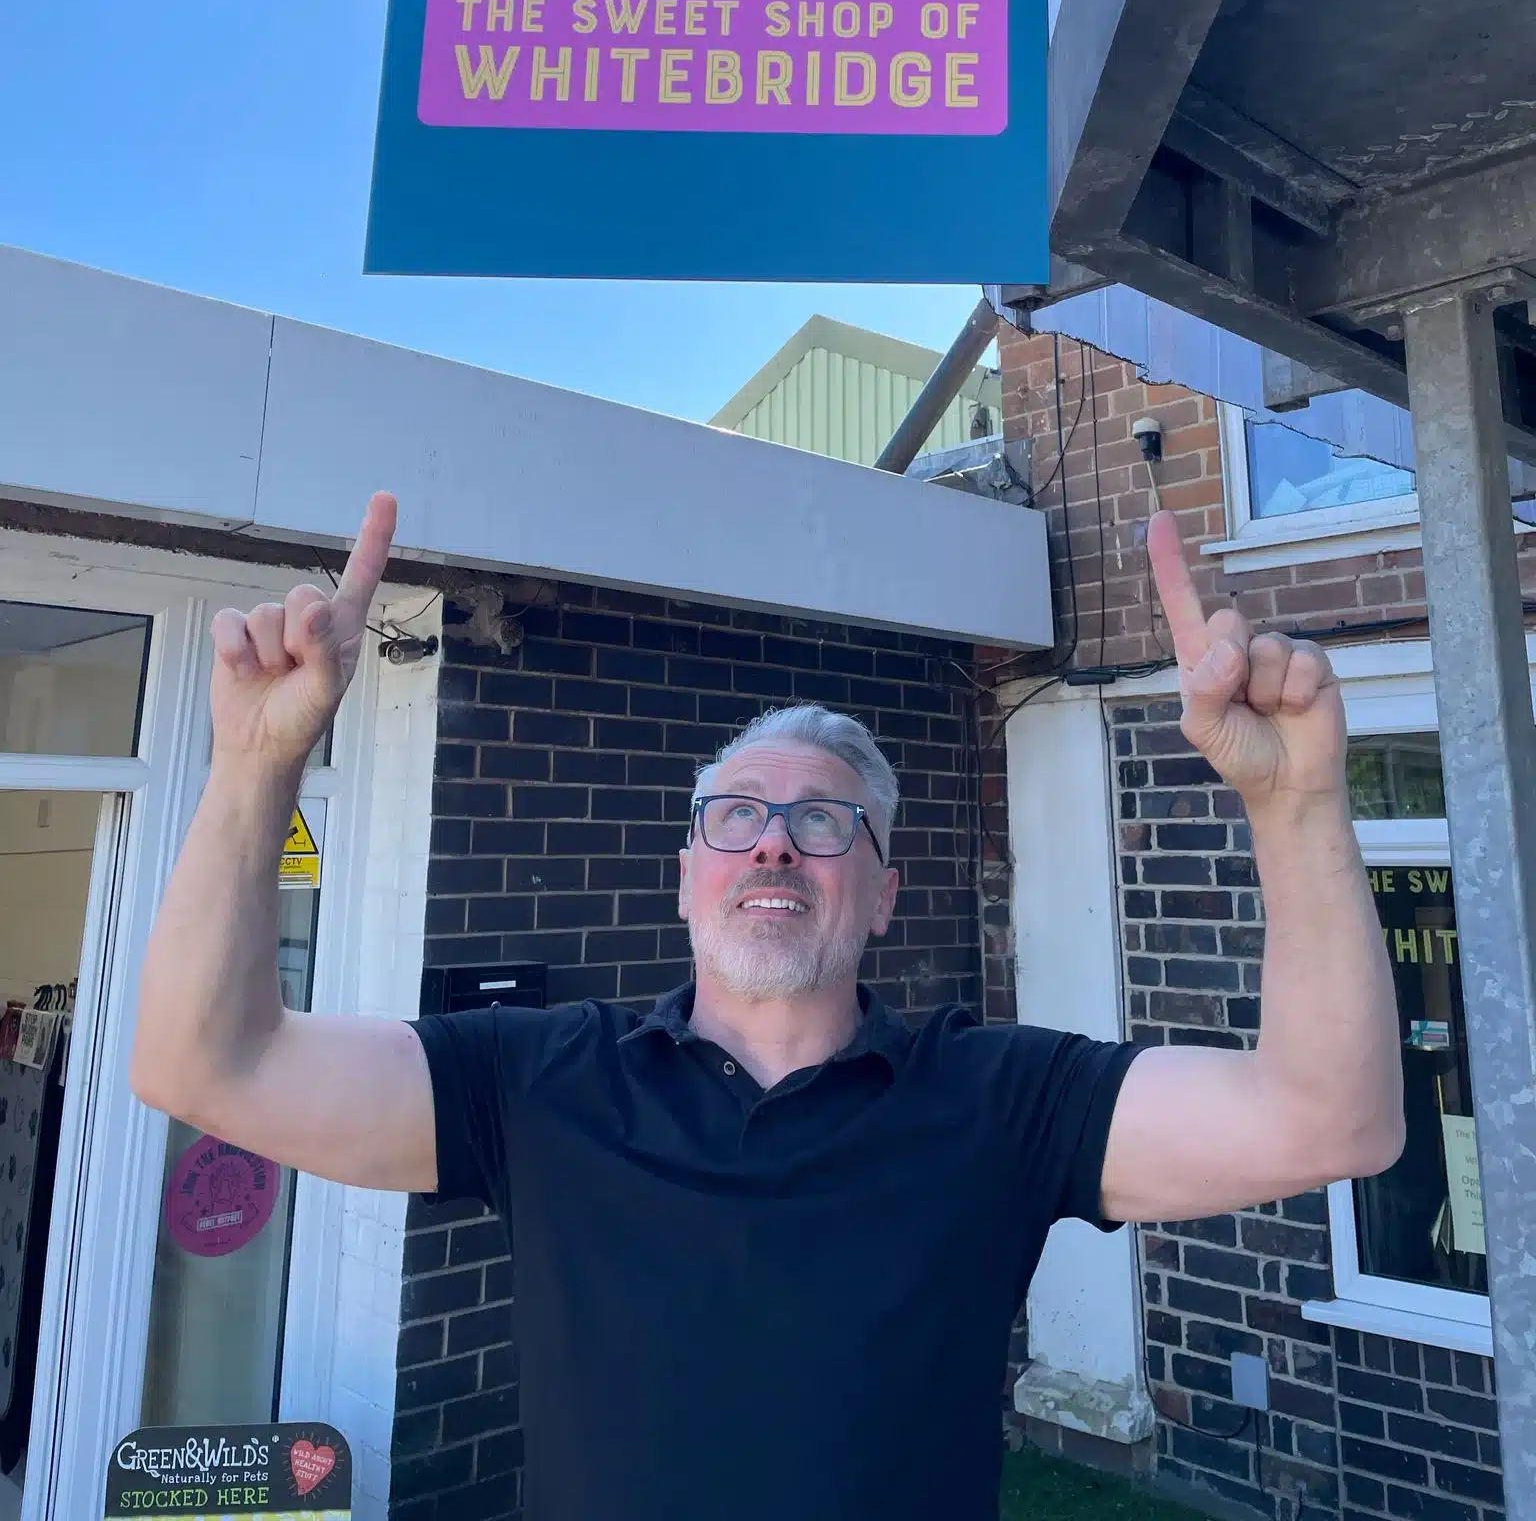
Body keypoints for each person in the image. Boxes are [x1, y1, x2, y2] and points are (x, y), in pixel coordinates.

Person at [131, 492, 1403, 1521]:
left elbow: (1325, 1119)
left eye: (822, 818)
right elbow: (206, 1062)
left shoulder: (1003, 1099)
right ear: (687, 875)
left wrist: (1296, 809)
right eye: (735, 816)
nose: (775, 846)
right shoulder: (536, 1082)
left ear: (886, 890)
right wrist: (257, 765)